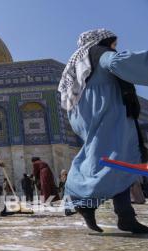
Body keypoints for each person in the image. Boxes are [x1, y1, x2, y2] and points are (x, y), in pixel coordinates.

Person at [58, 29, 148, 233]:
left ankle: (124, 215)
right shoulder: (100, 53)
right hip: (111, 114)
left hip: (89, 117)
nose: (115, 48)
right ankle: (82, 200)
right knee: (117, 161)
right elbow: (118, 63)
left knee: (118, 162)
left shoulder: (77, 64)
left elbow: (68, 99)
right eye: (114, 44)